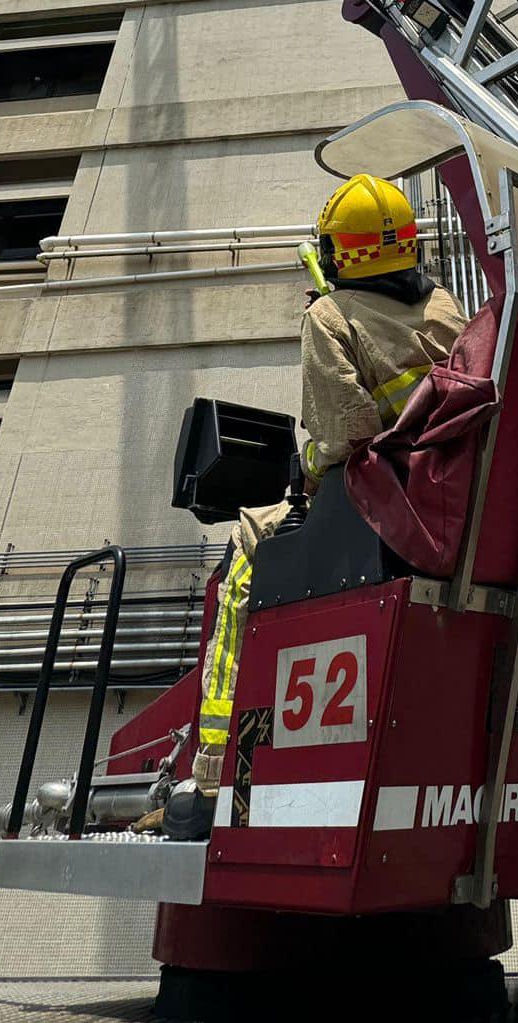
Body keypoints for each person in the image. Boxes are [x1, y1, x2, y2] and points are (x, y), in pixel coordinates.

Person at [159, 175, 466, 837]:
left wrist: (300, 470)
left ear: (336, 252)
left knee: (244, 555)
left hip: (375, 505)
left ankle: (213, 768)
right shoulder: (446, 306)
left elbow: (344, 437)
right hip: (446, 499)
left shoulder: (329, 319)